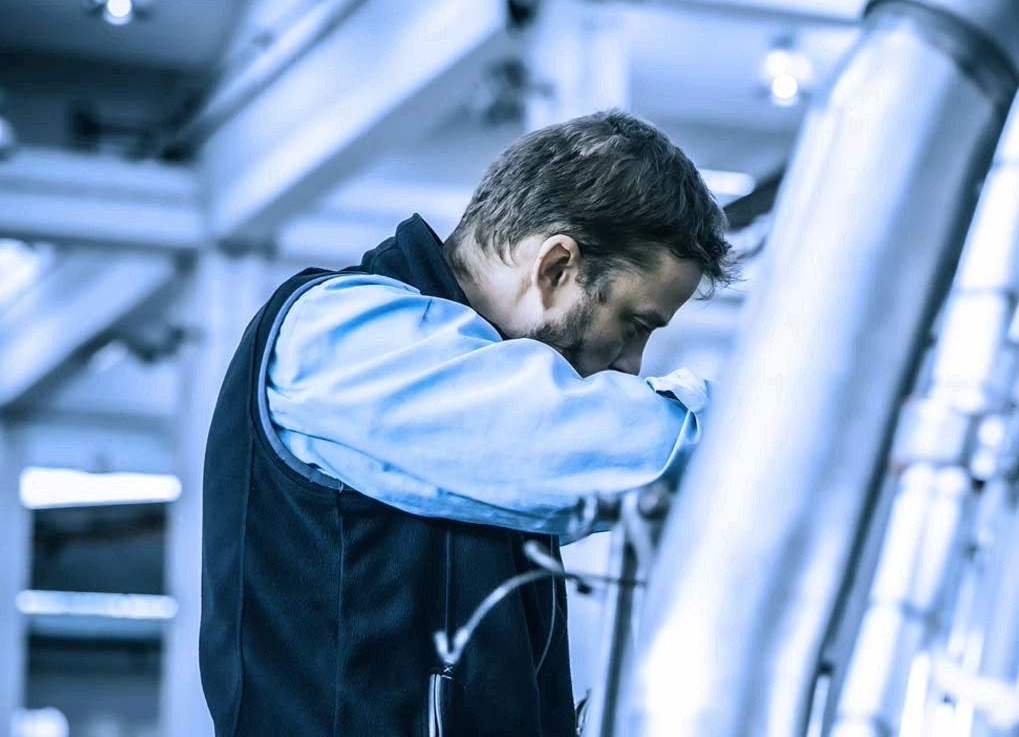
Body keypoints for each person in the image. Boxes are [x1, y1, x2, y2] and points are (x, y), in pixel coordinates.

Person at [197, 109, 736, 736]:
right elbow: (623, 444)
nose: (631, 364)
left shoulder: (481, 401)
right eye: (634, 325)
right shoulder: (338, 334)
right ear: (555, 267)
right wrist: (767, 420)